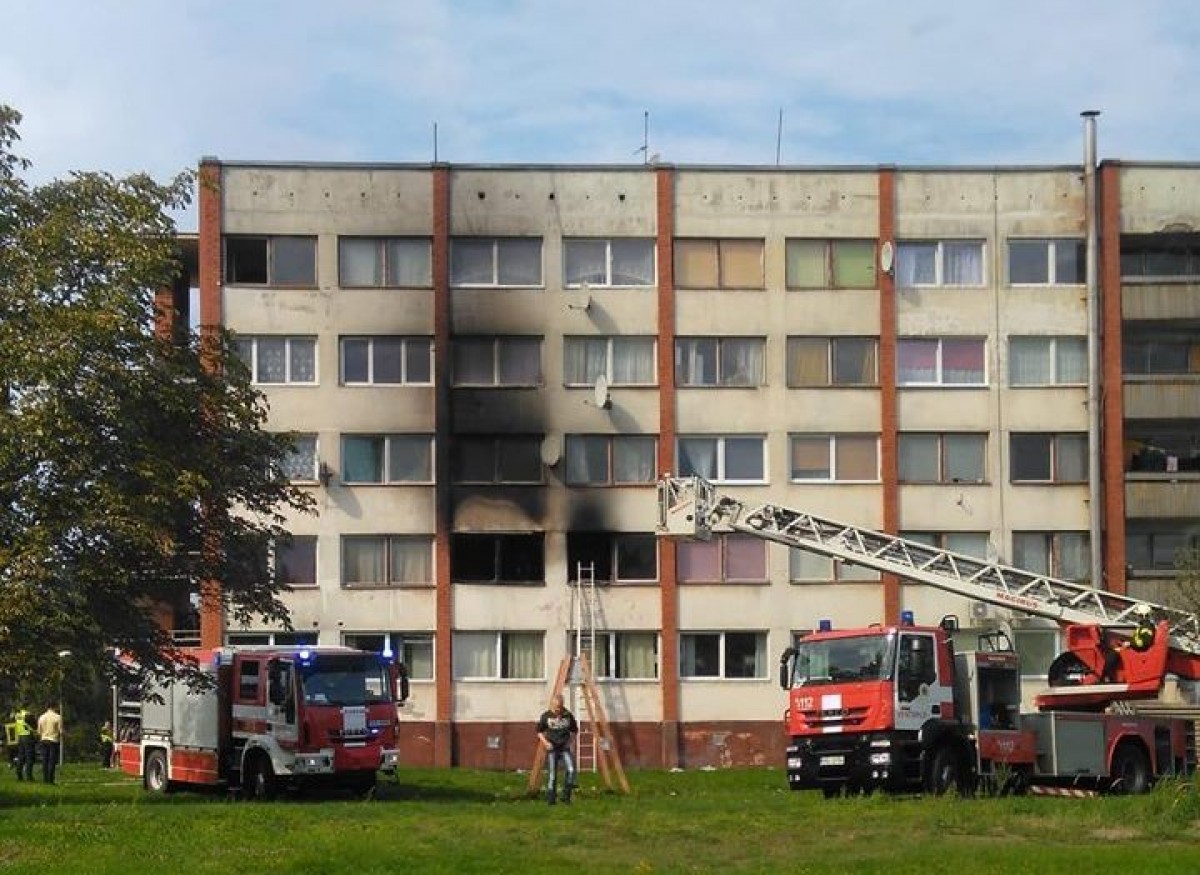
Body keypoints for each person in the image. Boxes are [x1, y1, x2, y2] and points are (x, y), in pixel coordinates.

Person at [536, 694, 578, 805]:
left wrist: (569, 742)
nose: (558, 710)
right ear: (552, 705)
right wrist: (546, 743)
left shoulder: (568, 715)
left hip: (564, 747)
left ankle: (566, 795)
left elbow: (574, 731)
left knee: (571, 770)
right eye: (556, 708)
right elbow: (539, 731)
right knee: (552, 774)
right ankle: (551, 799)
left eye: (560, 707)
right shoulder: (546, 716)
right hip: (552, 748)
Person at [36, 703, 62, 784]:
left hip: (44, 740)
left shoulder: (41, 717)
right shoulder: (58, 717)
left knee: (45, 760)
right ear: (55, 707)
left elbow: (39, 731)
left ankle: (45, 779)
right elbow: (60, 730)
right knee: (52, 761)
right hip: (53, 740)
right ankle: (51, 779)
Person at [12, 706, 36, 781]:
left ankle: (19, 775)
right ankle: (29, 776)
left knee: (21, 756)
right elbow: (34, 725)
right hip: (28, 736)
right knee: (29, 757)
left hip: (20, 737)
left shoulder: (17, 715)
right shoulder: (27, 714)